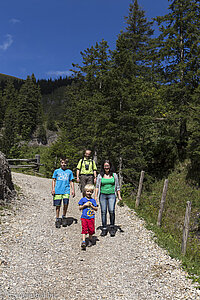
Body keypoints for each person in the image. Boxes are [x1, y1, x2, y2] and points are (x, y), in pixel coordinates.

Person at [95, 159, 122, 237]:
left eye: (108, 165)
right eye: (105, 166)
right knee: (103, 211)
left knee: (111, 210)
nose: (106, 167)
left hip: (111, 195)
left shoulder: (114, 175)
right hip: (102, 195)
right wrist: (96, 196)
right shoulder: (100, 175)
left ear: (110, 166)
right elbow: (97, 186)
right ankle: (104, 228)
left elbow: (117, 186)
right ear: (103, 167)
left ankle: (112, 227)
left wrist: (119, 195)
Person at [52, 158, 75, 228]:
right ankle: (57, 218)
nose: (63, 164)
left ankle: (64, 217)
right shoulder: (57, 171)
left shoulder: (69, 172)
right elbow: (53, 180)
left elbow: (71, 181)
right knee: (58, 205)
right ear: (60, 163)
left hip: (66, 190)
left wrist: (73, 190)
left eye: (65, 163)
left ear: (67, 164)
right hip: (58, 190)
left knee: (65, 204)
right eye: (62, 163)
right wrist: (53, 189)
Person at [78, 184, 98, 250]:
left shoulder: (93, 200)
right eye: (87, 191)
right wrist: (84, 205)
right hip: (84, 217)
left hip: (91, 217)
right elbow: (80, 207)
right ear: (85, 191)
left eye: (91, 192)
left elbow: (96, 209)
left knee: (91, 229)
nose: (89, 193)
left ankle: (90, 239)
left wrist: (92, 206)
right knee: (84, 229)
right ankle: (83, 241)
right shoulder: (83, 199)